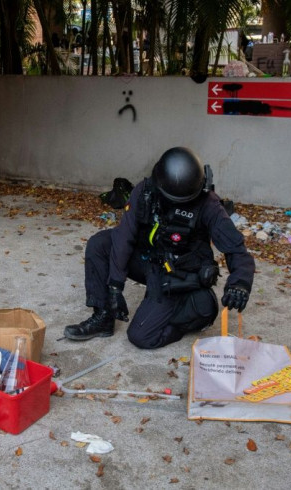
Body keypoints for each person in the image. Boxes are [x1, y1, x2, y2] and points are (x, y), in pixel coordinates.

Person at [64, 147, 255, 348]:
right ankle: (103, 317)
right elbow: (124, 236)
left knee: (141, 336)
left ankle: (198, 308)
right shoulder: (145, 191)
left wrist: (239, 284)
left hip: (176, 273)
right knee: (101, 243)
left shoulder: (208, 204)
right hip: (150, 260)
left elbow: (236, 249)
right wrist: (115, 286)